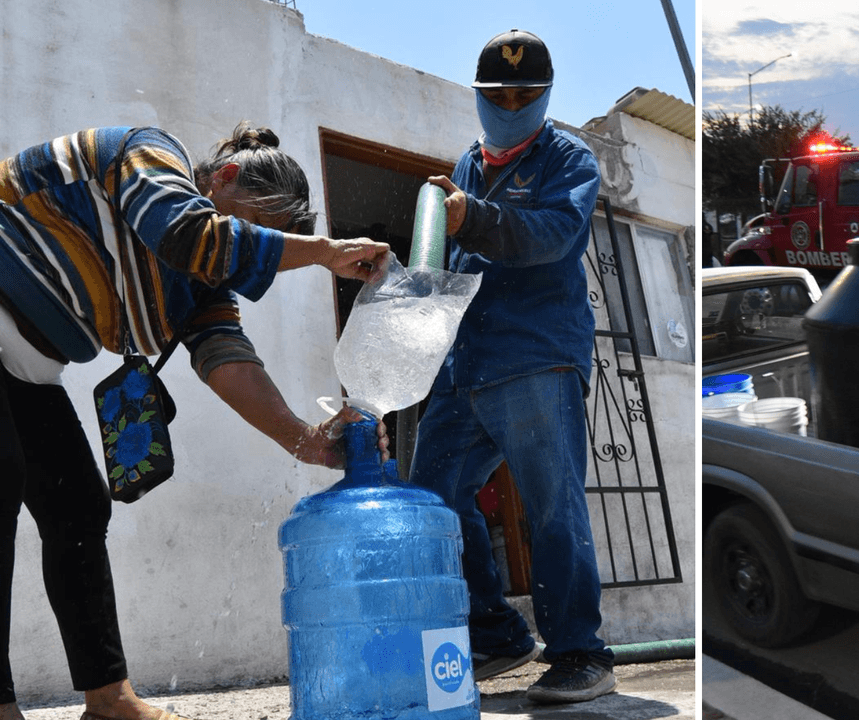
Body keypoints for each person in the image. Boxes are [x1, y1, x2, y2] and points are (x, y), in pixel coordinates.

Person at [0, 122, 390, 720]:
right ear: (225, 176)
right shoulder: (149, 153)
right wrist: (321, 252)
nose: (255, 242)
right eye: (260, 225)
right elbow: (188, 236)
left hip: (27, 366)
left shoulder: (207, 281)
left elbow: (226, 359)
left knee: (77, 507)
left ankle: (109, 701)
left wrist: (306, 442)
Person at [407, 29, 615, 705]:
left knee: (551, 506)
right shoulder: (467, 168)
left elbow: (554, 237)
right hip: (464, 361)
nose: (512, 103)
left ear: (547, 96)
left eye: (526, 94)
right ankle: (495, 630)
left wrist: (475, 219)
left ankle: (581, 653)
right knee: (434, 499)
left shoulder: (568, 159)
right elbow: (452, 260)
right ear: (479, 96)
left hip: (535, 356)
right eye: (499, 94)